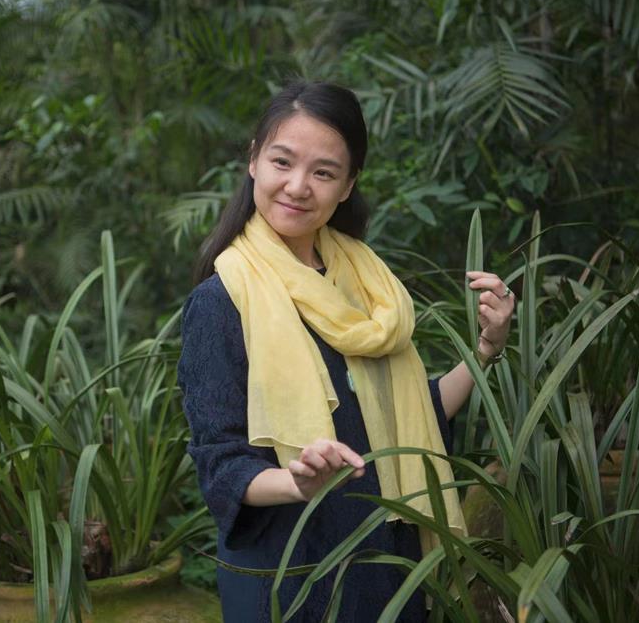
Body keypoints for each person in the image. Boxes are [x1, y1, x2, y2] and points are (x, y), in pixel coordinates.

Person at [177, 81, 514, 622]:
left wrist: (487, 347)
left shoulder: (365, 284)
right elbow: (221, 463)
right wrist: (297, 480)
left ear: (348, 184)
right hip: (289, 574)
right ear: (254, 161)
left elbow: (412, 414)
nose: (297, 186)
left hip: (386, 566)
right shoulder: (221, 301)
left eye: (324, 172)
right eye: (282, 161)